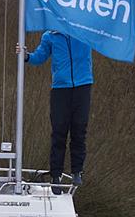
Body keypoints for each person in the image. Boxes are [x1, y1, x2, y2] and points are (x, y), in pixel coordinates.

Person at [17, 31, 92, 190]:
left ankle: (77, 171)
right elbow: (40, 56)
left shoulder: (83, 29)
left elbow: (103, 33)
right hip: (60, 88)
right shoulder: (50, 36)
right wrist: (26, 56)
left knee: (79, 129)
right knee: (59, 132)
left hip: (83, 86)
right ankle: (55, 175)